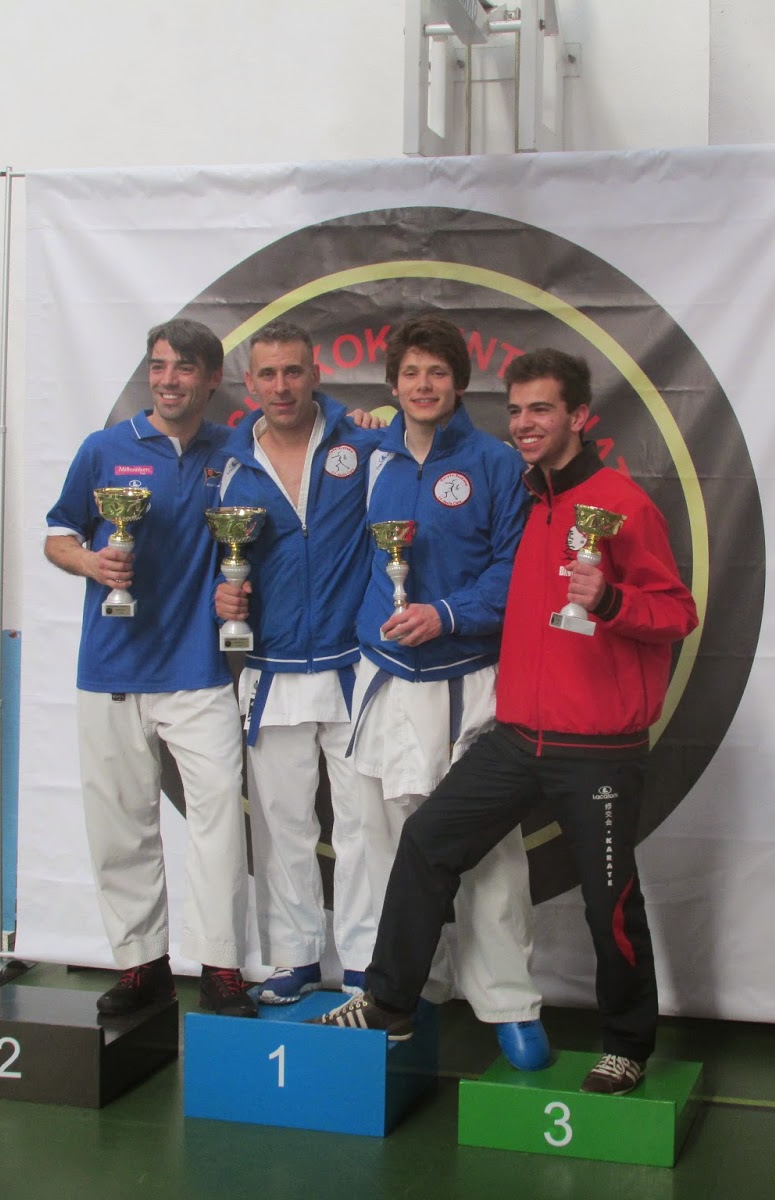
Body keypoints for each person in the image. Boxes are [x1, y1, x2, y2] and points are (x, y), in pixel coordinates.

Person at [315, 348, 699, 1097]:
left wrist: (610, 601)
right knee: (427, 840)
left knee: (609, 900)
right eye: (517, 410)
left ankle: (626, 1045)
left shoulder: (621, 504)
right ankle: (391, 1002)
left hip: (598, 747)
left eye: (541, 410)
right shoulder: (527, 495)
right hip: (520, 736)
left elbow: (676, 613)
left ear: (580, 417)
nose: (524, 423)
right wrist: (352, 417)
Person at [346, 315, 548, 1069]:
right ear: (392, 384)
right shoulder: (371, 456)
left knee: (488, 854)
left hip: (468, 678)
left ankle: (509, 1003)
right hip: (387, 677)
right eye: (410, 373)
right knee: (389, 842)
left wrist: (447, 614)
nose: (423, 385)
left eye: (437, 372)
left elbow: (515, 569)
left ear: (460, 382)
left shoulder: (495, 463)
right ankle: (412, 990)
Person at [44, 317, 256, 1019]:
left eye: (184, 368)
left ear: (211, 379)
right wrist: (91, 562)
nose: (168, 380)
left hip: (200, 671)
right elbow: (57, 534)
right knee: (120, 827)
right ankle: (142, 967)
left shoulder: (235, 451)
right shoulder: (104, 449)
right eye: (159, 366)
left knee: (219, 823)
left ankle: (222, 967)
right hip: (112, 669)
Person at [213, 321, 382, 1004]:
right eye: (268, 374)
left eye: (292, 371)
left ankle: (368, 962)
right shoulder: (227, 465)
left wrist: (375, 421)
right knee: (282, 823)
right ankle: (295, 957)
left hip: (353, 664)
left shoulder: (364, 445)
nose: (281, 386)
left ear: (316, 374)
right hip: (272, 665)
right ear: (249, 384)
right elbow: (212, 562)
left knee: (365, 822)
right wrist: (221, 594)